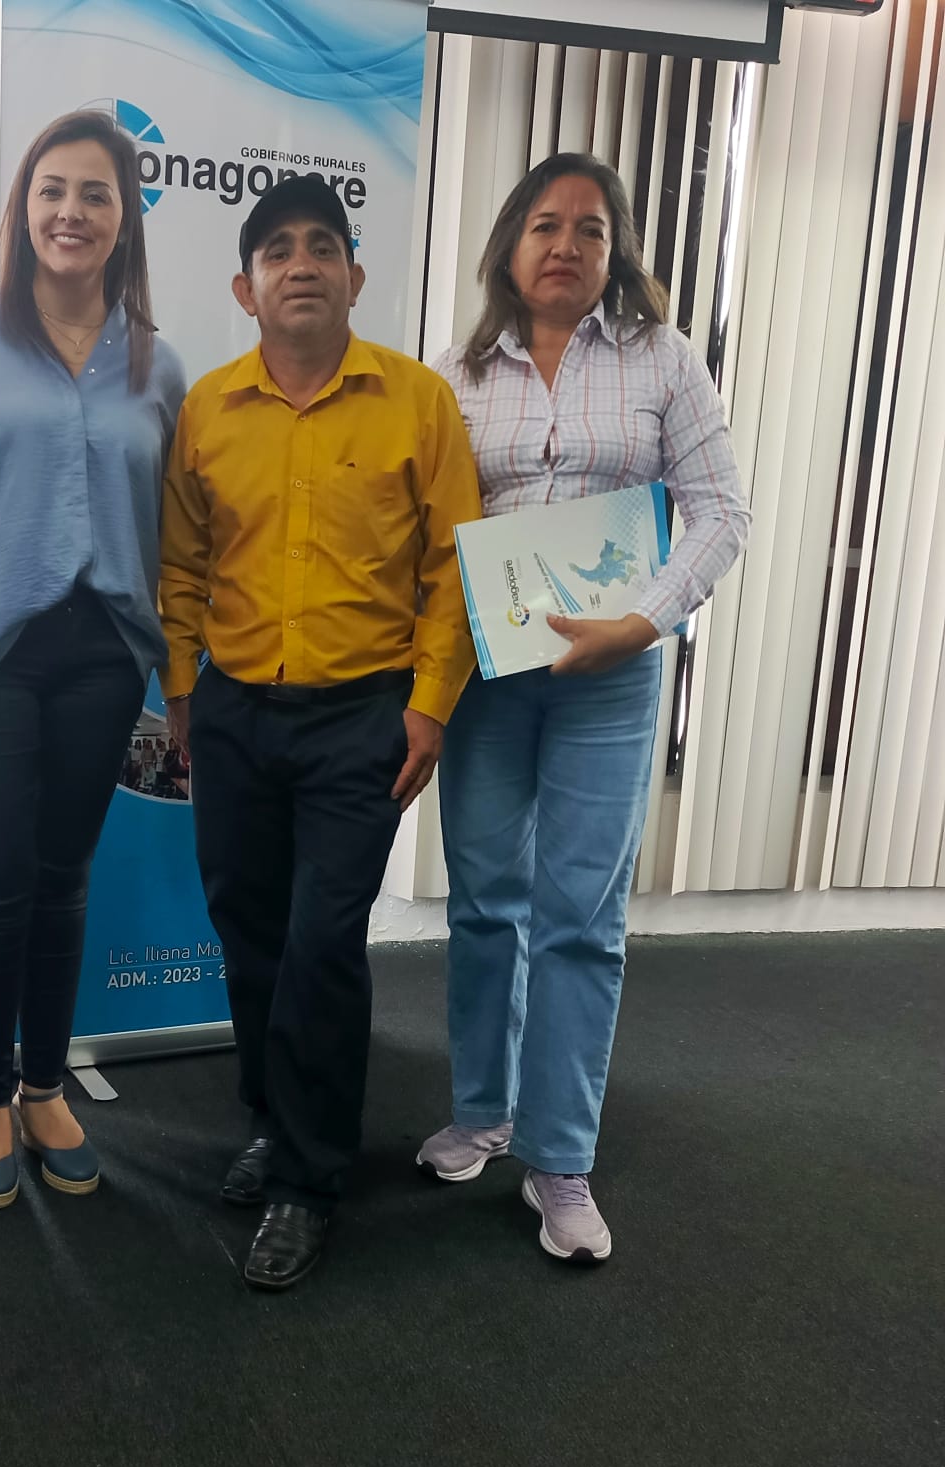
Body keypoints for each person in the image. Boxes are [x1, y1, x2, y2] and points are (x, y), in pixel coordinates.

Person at [419, 153, 750, 1263]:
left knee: (578, 916)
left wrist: (643, 621)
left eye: (591, 229)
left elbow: (720, 511)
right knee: (483, 901)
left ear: (616, 252)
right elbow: (427, 528)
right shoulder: (455, 376)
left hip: (611, 676)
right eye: (546, 225)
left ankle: (559, 1157)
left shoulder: (663, 359)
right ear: (510, 246)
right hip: (489, 677)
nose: (566, 244)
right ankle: (482, 1111)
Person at [160, 175, 483, 1291]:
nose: (300, 264)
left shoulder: (416, 402)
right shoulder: (207, 410)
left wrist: (429, 704)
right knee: (247, 930)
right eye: (276, 252)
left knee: (319, 945)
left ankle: (308, 1179)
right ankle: (272, 1117)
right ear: (243, 289)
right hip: (236, 712)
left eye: (321, 246)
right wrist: (182, 687)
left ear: (354, 275)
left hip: (360, 717)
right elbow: (182, 562)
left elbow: (452, 566)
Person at [0, 110, 185, 1210]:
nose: (71, 211)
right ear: (22, 208)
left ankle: (44, 1086)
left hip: (103, 653)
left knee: (63, 879)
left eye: (95, 193)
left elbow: (168, 520)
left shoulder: (158, 363)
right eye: (51, 190)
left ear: (125, 217)